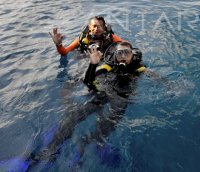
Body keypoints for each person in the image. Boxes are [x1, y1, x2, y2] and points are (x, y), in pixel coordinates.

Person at [22, 42, 150, 169]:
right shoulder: (108, 67)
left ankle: (91, 142)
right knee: (74, 117)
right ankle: (47, 150)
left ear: (132, 55)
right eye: (119, 53)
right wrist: (93, 64)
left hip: (121, 98)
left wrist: (169, 86)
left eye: (126, 52)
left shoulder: (139, 68)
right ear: (115, 55)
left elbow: (156, 77)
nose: (123, 56)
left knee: (110, 121)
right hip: (103, 93)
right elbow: (88, 81)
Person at [49, 16, 125, 56]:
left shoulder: (112, 38)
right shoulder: (82, 39)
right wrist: (58, 45)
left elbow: (127, 47)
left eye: (100, 26)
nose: (97, 29)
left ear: (104, 28)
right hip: (85, 61)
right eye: (94, 26)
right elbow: (64, 52)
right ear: (89, 27)